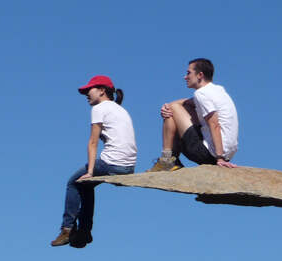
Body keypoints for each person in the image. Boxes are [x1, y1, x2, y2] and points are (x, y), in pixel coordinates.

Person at [51, 75, 137, 247]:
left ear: (102, 91)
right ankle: (84, 231)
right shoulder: (120, 109)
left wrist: (90, 172)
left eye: (89, 90)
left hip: (112, 162)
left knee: (74, 183)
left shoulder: (100, 108)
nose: (86, 94)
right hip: (128, 166)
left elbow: (92, 143)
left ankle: (67, 229)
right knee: (86, 185)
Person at [148, 58, 239, 172]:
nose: (185, 77)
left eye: (188, 73)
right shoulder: (217, 90)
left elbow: (214, 124)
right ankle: (170, 160)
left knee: (173, 109)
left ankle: (166, 160)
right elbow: (188, 102)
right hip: (226, 154)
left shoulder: (202, 94)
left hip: (210, 155)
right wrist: (166, 106)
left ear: (200, 75)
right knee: (178, 107)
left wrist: (219, 158)